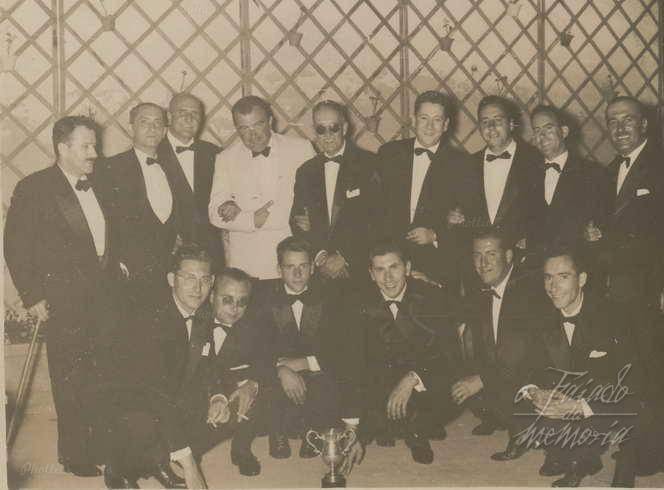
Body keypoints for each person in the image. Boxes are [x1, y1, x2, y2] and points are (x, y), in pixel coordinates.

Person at [5, 116, 123, 478]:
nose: (94, 153)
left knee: (104, 374)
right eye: (86, 146)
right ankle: (75, 453)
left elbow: (111, 234)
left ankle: (104, 444)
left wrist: (119, 264)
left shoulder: (102, 182)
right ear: (62, 148)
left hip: (106, 297)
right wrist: (32, 296)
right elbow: (15, 246)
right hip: (64, 300)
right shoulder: (34, 188)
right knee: (70, 379)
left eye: (95, 145)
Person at [518, 248, 639, 487]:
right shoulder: (539, 315)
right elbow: (529, 365)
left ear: (582, 279)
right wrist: (535, 391)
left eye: (563, 277)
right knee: (519, 400)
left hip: (608, 397)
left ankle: (593, 458)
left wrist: (581, 406)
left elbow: (632, 380)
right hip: (566, 393)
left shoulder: (614, 315)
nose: (553, 287)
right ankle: (565, 451)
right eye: (548, 278)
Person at [340, 241, 461, 464]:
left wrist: (413, 378)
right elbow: (352, 361)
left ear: (407, 267)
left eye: (394, 267)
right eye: (380, 270)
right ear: (371, 274)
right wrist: (351, 427)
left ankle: (417, 430)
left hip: (421, 378)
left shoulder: (432, 297)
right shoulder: (356, 304)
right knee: (363, 410)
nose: (388, 277)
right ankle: (395, 424)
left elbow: (448, 353)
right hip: (380, 382)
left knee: (448, 388)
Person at [452, 228, 546, 461]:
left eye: (491, 254)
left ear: (509, 256)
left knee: (482, 380)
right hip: (504, 366)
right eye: (477, 255)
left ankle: (526, 431)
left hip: (537, 369)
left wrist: (481, 379)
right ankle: (497, 415)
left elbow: (519, 353)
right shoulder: (480, 285)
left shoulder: (527, 289)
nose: (482, 263)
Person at [253, 236, 342, 459]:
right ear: (279, 269)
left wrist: (305, 363)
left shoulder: (331, 296)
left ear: (312, 268)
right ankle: (277, 432)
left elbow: (339, 347)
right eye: (289, 267)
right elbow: (257, 348)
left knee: (327, 381)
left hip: (316, 369)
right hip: (279, 373)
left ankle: (313, 430)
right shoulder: (263, 298)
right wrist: (281, 370)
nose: (297, 273)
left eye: (303, 266)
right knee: (268, 382)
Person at [208, 96, 315, 279]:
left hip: (294, 262)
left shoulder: (301, 149)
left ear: (270, 121)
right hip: (249, 264)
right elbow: (214, 214)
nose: (253, 135)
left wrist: (312, 219)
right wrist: (251, 220)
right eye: (244, 128)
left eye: (258, 125)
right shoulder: (226, 158)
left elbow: (319, 199)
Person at [378, 90, 469, 288]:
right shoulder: (389, 154)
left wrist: (435, 235)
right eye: (424, 118)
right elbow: (373, 209)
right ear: (413, 119)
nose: (429, 126)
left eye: (437, 120)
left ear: (446, 125)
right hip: (390, 265)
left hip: (437, 265)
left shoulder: (461, 164)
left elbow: (469, 219)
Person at [97, 102, 179, 311]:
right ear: (131, 127)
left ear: (165, 130)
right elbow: (103, 221)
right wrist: (116, 263)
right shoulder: (110, 168)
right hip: (127, 274)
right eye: (144, 122)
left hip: (167, 273)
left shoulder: (175, 167)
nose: (152, 128)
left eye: (158, 123)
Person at [451, 95, 540, 286]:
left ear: (511, 124)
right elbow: (456, 212)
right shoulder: (466, 165)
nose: (491, 127)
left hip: (524, 266)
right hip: (479, 269)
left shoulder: (536, 160)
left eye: (497, 120)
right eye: (485, 122)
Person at [290, 100, 383, 281]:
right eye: (321, 129)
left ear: (345, 128)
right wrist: (320, 256)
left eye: (334, 128)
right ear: (314, 131)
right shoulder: (306, 171)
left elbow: (379, 220)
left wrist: (344, 257)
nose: (327, 135)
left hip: (359, 268)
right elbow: (297, 221)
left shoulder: (369, 164)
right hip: (320, 271)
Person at [527, 105, 611, 273]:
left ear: (564, 131)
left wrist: (595, 233)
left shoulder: (592, 173)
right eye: (537, 131)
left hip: (578, 268)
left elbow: (604, 223)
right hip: (537, 271)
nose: (542, 136)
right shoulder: (527, 174)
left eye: (548, 128)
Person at [158, 92, 224, 269]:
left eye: (195, 113)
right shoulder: (153, 151)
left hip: (210, 251)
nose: (189, 118)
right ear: (169, 117)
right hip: (168, 250)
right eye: (182, 112)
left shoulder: (214, 153)